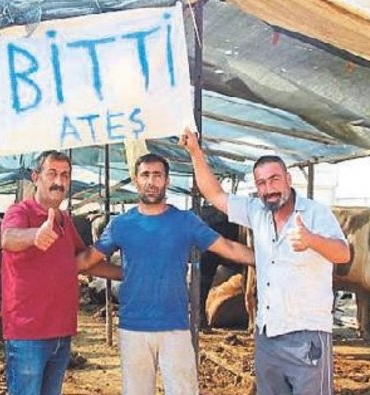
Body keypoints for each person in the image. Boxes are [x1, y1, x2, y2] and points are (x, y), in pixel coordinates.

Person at [180, 128, 350, 395]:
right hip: (267, 335)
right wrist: (195, 152)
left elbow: (343, 253)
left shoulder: (316, 213)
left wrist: (312, 240)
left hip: (307, 337)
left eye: (274, 180)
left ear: (288, 179)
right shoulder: (256, 212)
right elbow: (214, 195)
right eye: (261, 183)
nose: (269, 189)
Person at [77, 153, 254, 395]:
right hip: (133, 327)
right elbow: (87, 262)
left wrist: (269, 259)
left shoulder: (185, 221)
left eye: (157, 175)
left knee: (183, 391)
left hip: (175, 326)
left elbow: (228, 247)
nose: (151, 181)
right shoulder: (121, 225)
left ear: (167, 181)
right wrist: (123, 273)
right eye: (145, 175)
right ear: (136, 180)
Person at [0, 150, 119, 395]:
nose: (59, 181)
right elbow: (8, 238)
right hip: (28, 334)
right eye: (52, 173)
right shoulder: (20, 212)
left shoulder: (65, 220)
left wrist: (126, 274)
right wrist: (35, 235)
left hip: (61, 333)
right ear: (36, 177)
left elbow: (82, 261)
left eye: (65, 175)